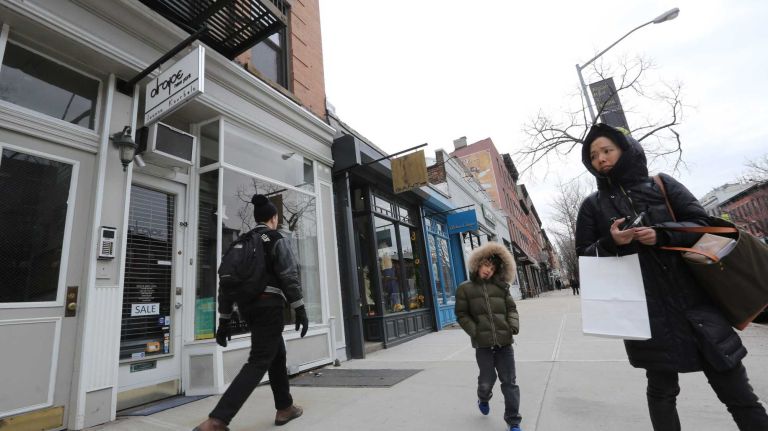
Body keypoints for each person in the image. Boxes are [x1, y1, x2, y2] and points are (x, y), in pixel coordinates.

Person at [575, 123, 768, 430]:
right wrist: (613, 242)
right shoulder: (592, 206)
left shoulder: (661, 184)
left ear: (625, 150)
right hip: (647, 314)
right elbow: (584, 256)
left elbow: (703, 225)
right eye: (594, 155)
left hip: (698, 304)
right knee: (662, 393)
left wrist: (661, 235)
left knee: (738, 393)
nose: (601, 158)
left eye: (607, 150)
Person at [194, 194, 309, 431]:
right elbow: (289, 275)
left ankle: (285, 407)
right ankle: (217, 421)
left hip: (248, 308)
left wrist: (224, 321)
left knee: (276, 354)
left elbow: (225, 284)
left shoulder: (242, 242)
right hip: (270, 307)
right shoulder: (274, 237)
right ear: (273, 218)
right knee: (259, 361)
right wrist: (300, 308)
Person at [455, 242, 522, 431]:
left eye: (492, 268)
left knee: (509, 382)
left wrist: (513, 325)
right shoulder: (465, 289)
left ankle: (513, 421)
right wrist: (475, 331)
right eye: (486, 265)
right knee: (486, 380)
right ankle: (483, 398)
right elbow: (461, 314)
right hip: (482, 345)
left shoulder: (501, 288)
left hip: (504, 343)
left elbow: (511, 308)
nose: (488, 270)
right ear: (478, 265)